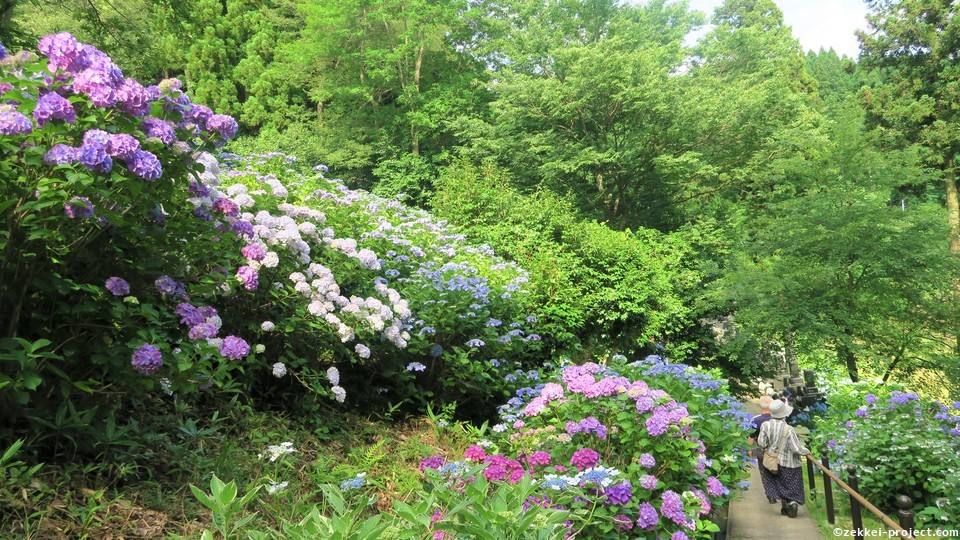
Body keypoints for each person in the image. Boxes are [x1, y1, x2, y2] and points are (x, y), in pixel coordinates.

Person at [757, 399, 811, 518]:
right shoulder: (789, 429)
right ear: (784, 414)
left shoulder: (765, 425)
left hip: (771, 463)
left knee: (777, 484)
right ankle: (792, 503)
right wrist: (807, 451)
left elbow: (761, 443)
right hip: (789, 464)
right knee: (791, 486)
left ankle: (784, 507)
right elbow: (796, 448)